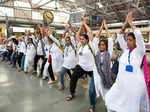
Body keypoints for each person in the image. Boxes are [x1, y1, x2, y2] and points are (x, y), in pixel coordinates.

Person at [105, 12, 150, 112]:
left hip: (134, 85)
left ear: (135, 42)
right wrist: (126, 23)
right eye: (127, 40)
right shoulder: (126, 50)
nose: (127, 41)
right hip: (121, 83)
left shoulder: (139, 51)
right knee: (111, 98)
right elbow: (120, 35)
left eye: (130, 40)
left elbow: (139, 37)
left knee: (130, 107)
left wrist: (131, 23)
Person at [66, 17, 95, 101]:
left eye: (83, 39)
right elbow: (77, 35)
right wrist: (81, 26)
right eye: (80, 39)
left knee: (96, 83)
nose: (81, 40)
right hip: (81, 66)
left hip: (91, 68)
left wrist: (84, 24)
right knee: (73, 78)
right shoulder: (79, 45)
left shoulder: (90, 45)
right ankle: (72, 93)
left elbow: (89, 32)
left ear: (87, 40)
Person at [89, 20, 114, 112]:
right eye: (100, 45)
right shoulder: (97, 52)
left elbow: (110, 39)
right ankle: (92, 105)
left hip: (106, 77)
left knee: (107, 95)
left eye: (103, 45)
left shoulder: (109, 53)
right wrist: (101, 27)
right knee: (92, 91)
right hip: (96, 75)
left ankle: (110, 108)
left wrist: (106, 27)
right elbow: (96, 38)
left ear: (106, 46)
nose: (101, 46)